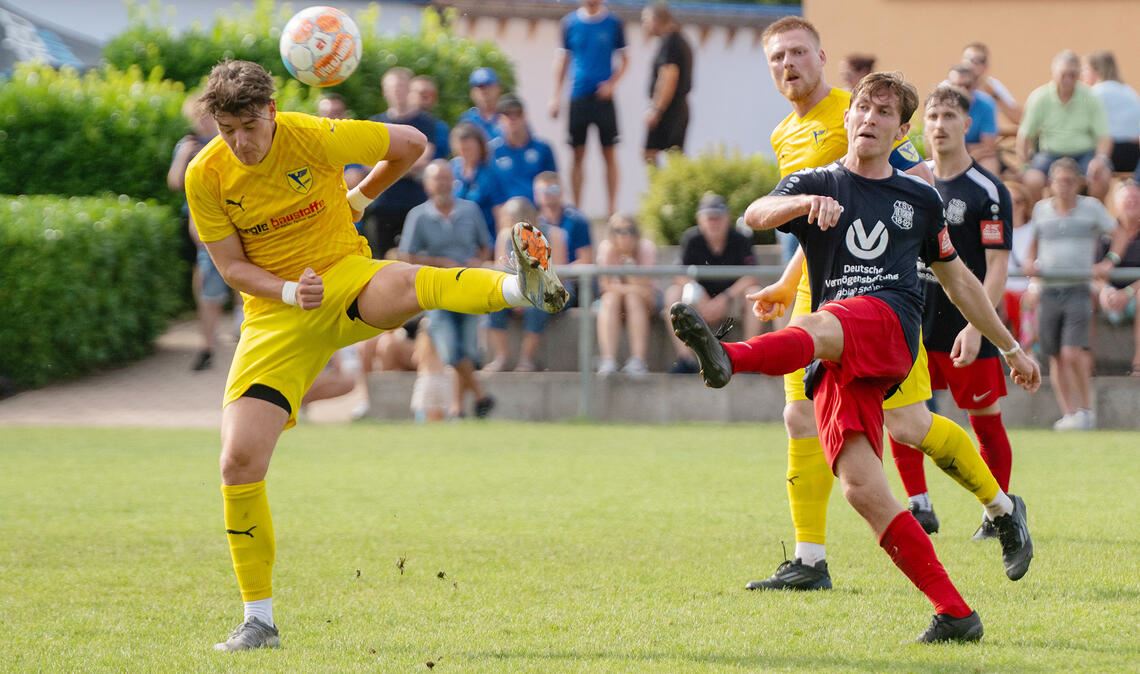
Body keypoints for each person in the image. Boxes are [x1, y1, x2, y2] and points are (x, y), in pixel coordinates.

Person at [185, 60, 568, 652]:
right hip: (275, 317)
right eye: (227, 128)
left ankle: (521, 287)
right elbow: (231, 267)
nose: (240, 141)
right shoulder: (204, 175)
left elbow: (412, 143)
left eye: (249, 126)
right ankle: (258, 621)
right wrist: (289, 291)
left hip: (344, 276)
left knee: (414, 282)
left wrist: (359, 197)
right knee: (237, 461)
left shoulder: (312, 134)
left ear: (271, 113)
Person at [671, 72, 1039, 643]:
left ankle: (728, 357)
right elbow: (755, 213)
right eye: (863, 107)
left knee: (822, 323)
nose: (869, 117)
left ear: (901, 130)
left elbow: (961, 280)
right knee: (862, 488)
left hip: (888, 323)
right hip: (839, 353)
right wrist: (800, 202)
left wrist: (1010, 346)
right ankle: (955, 612)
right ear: (848, 119)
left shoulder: (920, 198)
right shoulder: (818, 180)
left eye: (884, 112)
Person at [739, 16, 982, 595]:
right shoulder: (783, 134)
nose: (788, 65)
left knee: (910, 423)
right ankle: (809, 557)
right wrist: (784, 283)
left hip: (882, 298)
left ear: (822, 57)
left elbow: (914, 187)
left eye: (798, 53)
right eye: (777, 58)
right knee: (799, 417)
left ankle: (999, 504)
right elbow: (808, 219)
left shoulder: (864, 108)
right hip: (819, 294)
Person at [888, 85, 1017, 539]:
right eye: (933, 116)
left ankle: (998, 510)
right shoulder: (905, 184)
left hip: (965, 326)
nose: (939, 125)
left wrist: (977, 325)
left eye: (949, 116)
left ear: (967, 124)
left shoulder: (988, 190)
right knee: (901, 414)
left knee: (983, 418)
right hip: (912, 320)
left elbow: (998, 265)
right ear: (922, 126)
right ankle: (919, 503)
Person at [399, 160, 500, 417]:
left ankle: (460, 409)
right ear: (428, 184)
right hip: (438, 291)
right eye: (437, 179)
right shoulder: (418, 215)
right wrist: (440, 263)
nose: (442, 184)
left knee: (468, 351)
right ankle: (480, 396)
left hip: (467, 286)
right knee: (450, 351)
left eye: (446, 178)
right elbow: (407, 256)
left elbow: (484, 244)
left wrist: (477, 261)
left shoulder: (470, 210)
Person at [1025, 158, 1116, 430]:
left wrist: (1110, 259)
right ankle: (1069, 413)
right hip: (1049, 290)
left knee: (1071, 352)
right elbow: (1033, 245)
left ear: (1078, 183)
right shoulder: (1041, 210)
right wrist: (1031, 270)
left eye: (1069, 181)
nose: (1063, 186)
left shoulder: (1092, 208)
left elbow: (1118, 231)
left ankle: (1086, 410)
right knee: (1054, 354)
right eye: (1059, 181)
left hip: (1078, 289)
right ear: (1051, 184)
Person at [663, 193, 760, 373]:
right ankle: (686, 360)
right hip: (699, 301)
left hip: (733, 299)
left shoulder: (740, 239)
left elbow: (752, 276)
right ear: (700, 220)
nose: (714, 223)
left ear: (727, 219)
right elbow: (678, 274)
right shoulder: (691, 239)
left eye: (718, 217)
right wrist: (700, 294)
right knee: (672, 295)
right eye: (709, 218)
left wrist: (725, 298)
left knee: (755, 292)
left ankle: (748, 358)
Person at [551, 0, 628, 214]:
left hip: (603, 98)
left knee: (609, 153)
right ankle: (576, 208)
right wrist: (556, 96)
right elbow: (563, 60)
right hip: (578, 95)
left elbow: (626, 59)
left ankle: (611, 209)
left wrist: (612, 84)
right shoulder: (569, 23)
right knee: (577, 154)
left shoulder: (614, 23)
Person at [167, 93, 226, 371]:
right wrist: (183, 156)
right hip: (202, 228)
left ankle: (240, 332)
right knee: (206, 286)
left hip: (231, 221)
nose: (202, 121)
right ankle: (207, 345)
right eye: (198, 117)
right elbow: (175, 182)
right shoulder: (188, 145)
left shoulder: (227, 141)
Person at [484, 197, 569, 372]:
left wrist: (526, 294)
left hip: (548, 287)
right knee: (492, 303)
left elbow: (557, 273)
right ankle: (501, 356)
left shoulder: (554, 235)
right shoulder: (505, 236)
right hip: (517, 286)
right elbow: (501, 271)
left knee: (536, 306)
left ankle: (527, 359)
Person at [363, 67, 438, 258]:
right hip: (382, 205)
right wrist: (406, 165)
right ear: (384, 91)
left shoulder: (426, 123)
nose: (397, 92)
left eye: (402, 87)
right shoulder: (376, 124)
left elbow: (424, 158)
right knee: (380, 263)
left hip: (414, 203)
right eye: (393, 88)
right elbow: (367, 162)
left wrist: (387, 163)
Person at [1017, 51, 1111, 201]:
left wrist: (1100, 159)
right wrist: (1024, 166)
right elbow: (1024, 135)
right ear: (1053, 73)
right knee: (1032, 179)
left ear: (1079, 74)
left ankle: (1095, 219)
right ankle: (1038, 218)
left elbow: (1104, 136)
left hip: (1084, 154)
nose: (1067, 79)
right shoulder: (1039, 97)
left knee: (1101, 176)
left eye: (1072, 74)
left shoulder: (1091, 97)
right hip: (1049, 155)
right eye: (1063, 74)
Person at [596, 213, 657, 376]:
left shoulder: (646, 248)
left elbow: (646, 289)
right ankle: (608, 360)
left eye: (629, 230)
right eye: (618, 230)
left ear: (636, 233)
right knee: (609, 299)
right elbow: (605, 286)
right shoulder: (606, 248)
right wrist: (631, 286)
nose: (624, 235)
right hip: (617, 301)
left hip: (644, 302)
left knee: (632, 299)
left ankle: (638, 361)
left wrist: (629, 272)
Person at [1095, 181, 1140, 375]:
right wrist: (1105, 289)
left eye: (1136, 199)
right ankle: (1087, 366)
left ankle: (1138, 362)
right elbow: (1093, 270)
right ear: (1116, 204)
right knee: (1081, 294)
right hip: (1107, 295)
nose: (1132, 202)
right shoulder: (1104, 235)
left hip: (1135, 295)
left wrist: (1128, 292)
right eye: (1127, 199)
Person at [641, 2, 693, 164]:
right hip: (677, 107)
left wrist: (657, 109)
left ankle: (662, 188)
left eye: (646, 21)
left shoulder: (670, 42)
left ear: (656, 20)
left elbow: (669, 76)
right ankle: (666, 187)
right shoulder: (679, 40)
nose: (645, 26)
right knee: (673, 156)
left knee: (653, 154)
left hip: (669, 109)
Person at [491, 94, 558, 203]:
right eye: (507, 114)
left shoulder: (543, 149)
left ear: (525, 116)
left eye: (517, 113)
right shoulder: (492, 152)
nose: (513, 119)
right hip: (506, 213)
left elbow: (553, 184)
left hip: (537, 212)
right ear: (499, 119)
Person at [1081, 51, 1140, 175]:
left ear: (1096, 71)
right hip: (1134, 155)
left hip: (1109, 154)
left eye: (1085, 69)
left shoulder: (1095, 93)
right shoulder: (1129, 91)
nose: (1082, 75)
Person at [450, 121, 506, 241]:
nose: (466, 153)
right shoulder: (452, 170)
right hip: (456, 237)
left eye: (469, 148)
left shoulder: (491, 173)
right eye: (462, 149)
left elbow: (499, 212)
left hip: (484, 237)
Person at [947, 64, 1000, 174]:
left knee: (989, 165)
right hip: (948, 155)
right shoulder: (940, 105)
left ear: (975, 85)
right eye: (956, 86)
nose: (961, 90)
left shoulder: (986, 104)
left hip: (979, 156)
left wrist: (964, 153)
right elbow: (932, 144)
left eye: (967, 85)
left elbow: (988, 146)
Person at [1003, 181, 1037, 347]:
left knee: (1027, 303)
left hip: (1027, 290)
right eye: (1007, 201)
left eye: (1018, 201)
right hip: (1004, 290)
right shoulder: (995, 229)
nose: (1013, 206)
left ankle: (1027, 349)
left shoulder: (1034, 228)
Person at [962, 42, 1022, 124]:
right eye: (971, 60)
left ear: (986, 66)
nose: (974, 65)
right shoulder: (949, 86)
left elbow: (1018, 119)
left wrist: (994, 95)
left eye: (981, 61)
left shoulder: (992, 86)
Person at [409, 317, 453, 422]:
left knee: (422, 411)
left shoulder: (421, 341)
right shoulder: (443, 342)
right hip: (443, 379)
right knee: (440, 415)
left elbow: (415, 359)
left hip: (426, 379)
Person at [410, 74, 452, 160]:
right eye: (421, 93)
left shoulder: (441, 128)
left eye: (431, 94)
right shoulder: (396, 123)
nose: (426, 97)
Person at [458, 67, 503, 142]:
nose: (485, 92)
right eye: (480, 87)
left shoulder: (510, 117)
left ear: (498, 88)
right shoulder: (467, 121)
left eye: (489, 86)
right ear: (472, 93)